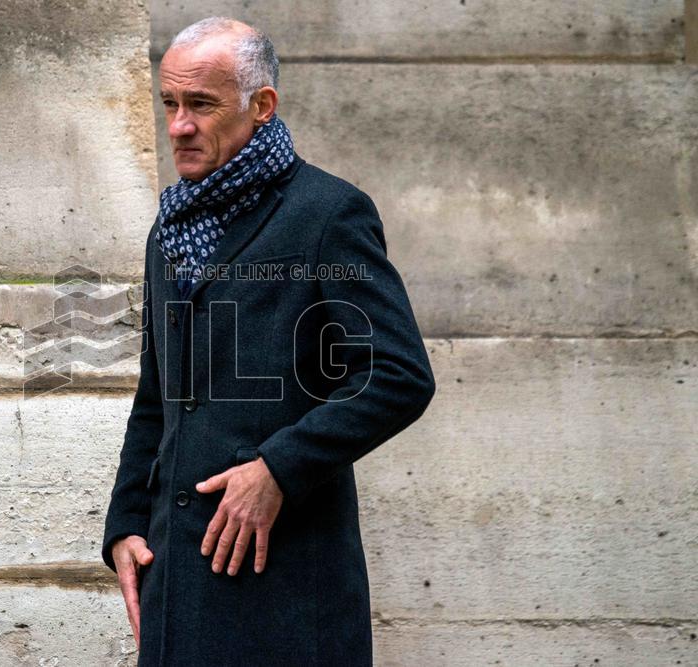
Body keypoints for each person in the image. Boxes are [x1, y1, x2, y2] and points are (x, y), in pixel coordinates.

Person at [101, 16, 436, 666]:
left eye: (201, 104)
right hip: (176, 579)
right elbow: (157, 394)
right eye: (169, 103)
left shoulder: (328, 213)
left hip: (285, 589)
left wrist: (279, 467)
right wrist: (126, 523)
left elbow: (396, 374)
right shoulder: (169, 229)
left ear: (261, 105)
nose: (178, 126)